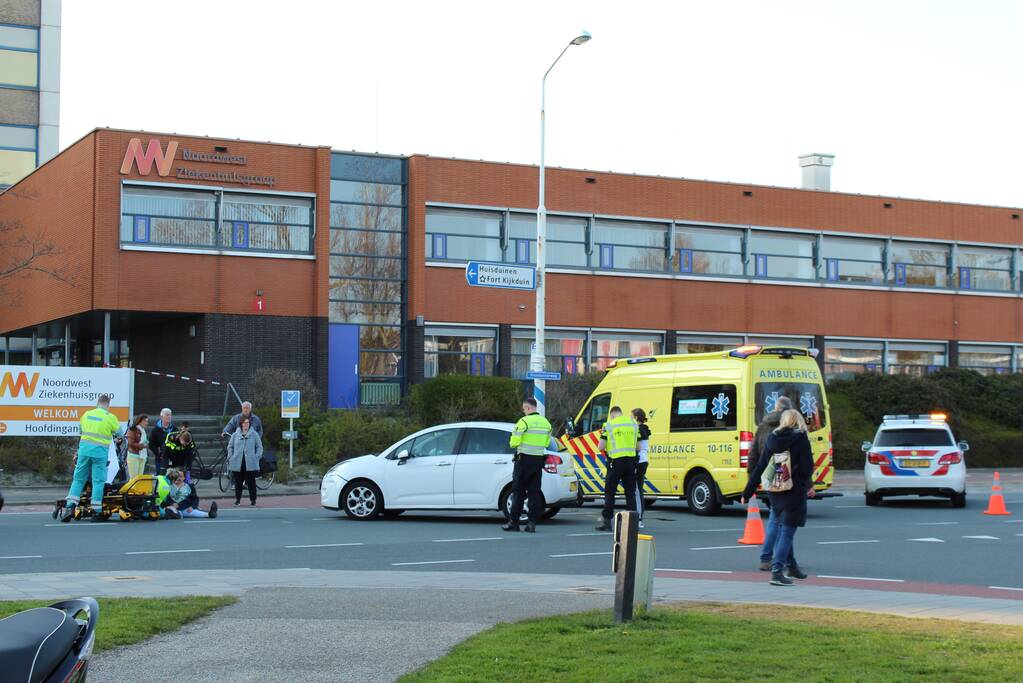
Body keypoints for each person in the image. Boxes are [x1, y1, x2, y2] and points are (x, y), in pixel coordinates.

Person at [742, 409, 815, 586]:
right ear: (798, 421)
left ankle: (792, 567)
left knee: (783, 527)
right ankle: (777, 571)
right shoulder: (801, 439)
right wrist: (807, 484)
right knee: (787, 531)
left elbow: (760, 466)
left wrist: (747, 491)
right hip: (793, 491)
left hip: (775, 490)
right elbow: (807, 468)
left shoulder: (772, 439)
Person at [748, 395, 794, 571]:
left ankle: (769, 557)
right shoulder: (790, 426)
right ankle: (776, 558)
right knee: (782, 520)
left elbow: (753, 453)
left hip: (767, 473)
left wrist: (752, 477)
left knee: (776, 517)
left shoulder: (763, 425)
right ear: (788, 410)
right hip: (784, 473)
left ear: (775, 408)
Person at [61, 395, 122, 522]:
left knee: (78, 480)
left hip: (84, 451)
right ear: (108, 405)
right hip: (99, 454)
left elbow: (80, 431)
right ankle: (96, 511)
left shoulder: (87, 414)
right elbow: (120, 433)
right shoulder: (110, 417)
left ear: (97, 403)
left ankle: (70, 508)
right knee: (98, 482)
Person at [502, 397, 553, 533]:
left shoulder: (523, 422)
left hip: (523, 460)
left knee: (518, 491)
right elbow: (547, 443)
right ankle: (532, 523)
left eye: (524, 408)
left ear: (528, 408)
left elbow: (513, 443)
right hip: (538, 461)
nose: (523, 411)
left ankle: (514, 522)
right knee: (534, 493)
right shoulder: (546, 423)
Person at [595, 406, 639, 532]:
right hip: (631, 462)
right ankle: (633, 524)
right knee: (630, 493)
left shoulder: (609, 425)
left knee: (610, 492)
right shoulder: (633, 423)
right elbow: (638, 446)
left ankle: (607, 522)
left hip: (615, 463)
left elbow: (601, 447)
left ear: (612, 415)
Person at [227, 416, 263, 506]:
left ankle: (253, 500)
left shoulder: (254, 434)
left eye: (247, 423)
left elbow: (259, 447)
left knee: (251, 483)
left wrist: (257, 457)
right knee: (238, 483)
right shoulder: (235, 435)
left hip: (250, 463)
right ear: (241, 424)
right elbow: (230, 446)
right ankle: (237, 500)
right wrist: (230, 457)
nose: (246, 424)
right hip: (238, 463)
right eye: (244, 423)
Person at [632, 408, 651, 529]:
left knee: (637, 490)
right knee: (638, 489)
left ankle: (638, 518)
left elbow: (637, 447)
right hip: (643, 460)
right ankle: (638, 516)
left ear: (636, 417)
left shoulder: (638, 429)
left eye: (631, 416)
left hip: (639, 461)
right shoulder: (644, 428)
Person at [149, 408, 175, 475]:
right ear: (161, 417)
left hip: (172, 458)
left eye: (170, 415)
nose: (169, 417)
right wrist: (158, 452)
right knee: (161, 477)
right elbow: (151, 444)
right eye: (167, 415)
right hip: (160, 458)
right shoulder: (155, 430)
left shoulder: (174, 429)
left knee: (172, 477)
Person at [125, 414, 149, 479]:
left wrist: (146, 443)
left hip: (142, 456)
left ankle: (137, 489)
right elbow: (130, 443)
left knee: (140, 478)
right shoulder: (132, 429)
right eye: (145, 421)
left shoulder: (142, 430)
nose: (147, 423)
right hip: (133, 456)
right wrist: (142, 446)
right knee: (134, 478)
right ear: (139, 421)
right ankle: (132, 489)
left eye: (147, 421)